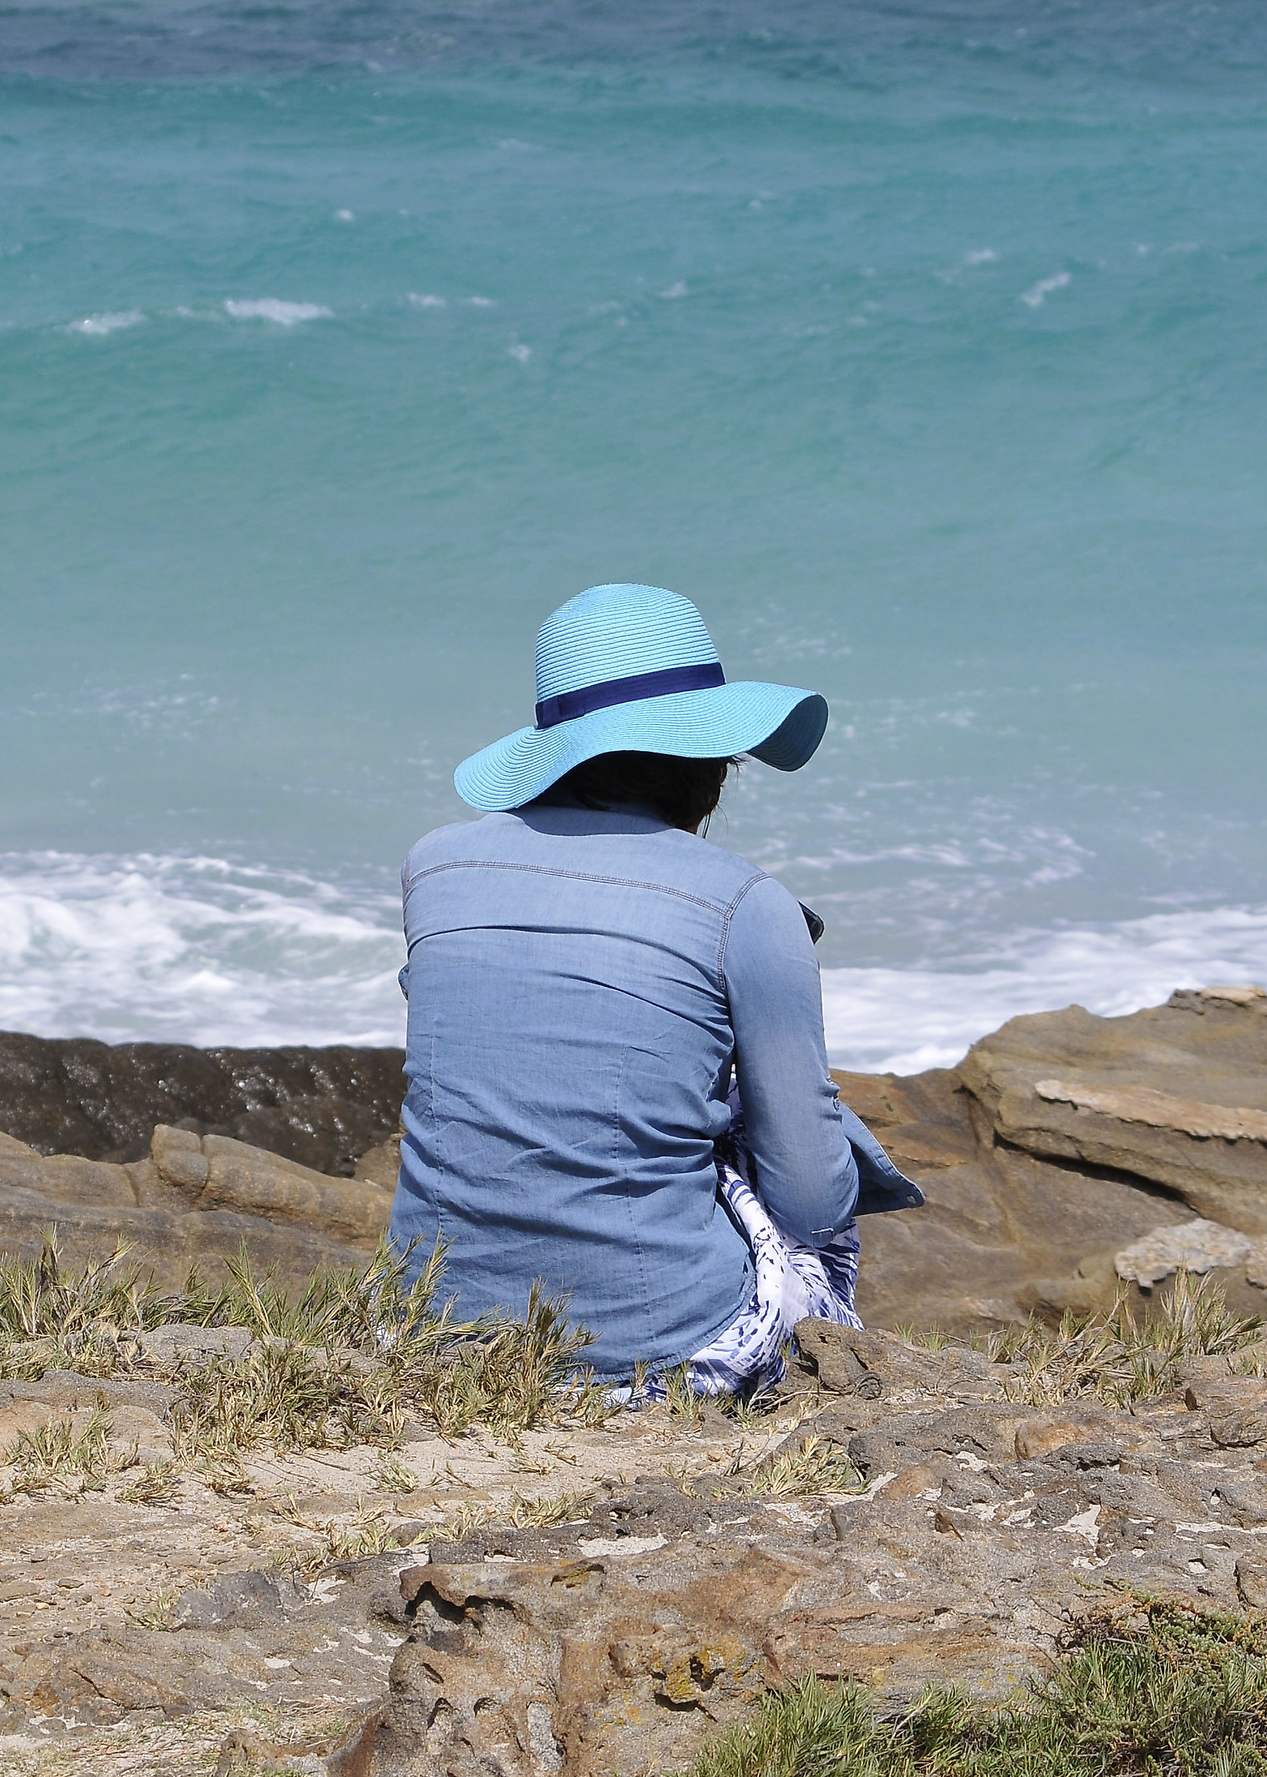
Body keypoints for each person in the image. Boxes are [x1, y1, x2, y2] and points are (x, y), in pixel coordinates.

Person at [389, 583, 923, 1401]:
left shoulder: (435, 866)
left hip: (426, 1329)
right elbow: (812, 1203)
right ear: (711, 762)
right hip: (654, 1355)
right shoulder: (750, 904)